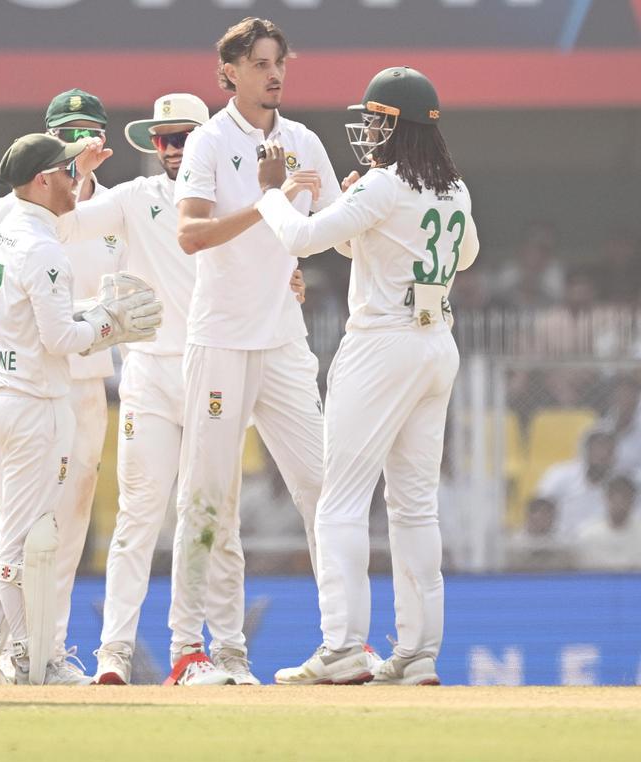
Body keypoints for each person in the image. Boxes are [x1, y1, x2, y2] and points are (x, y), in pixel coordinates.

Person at [54, 92, 307, 685]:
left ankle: (227, 651)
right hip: (148, 373)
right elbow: (66, 224)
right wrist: (77, 173)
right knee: (138, 517)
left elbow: (279, 264)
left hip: (216, 372)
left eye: (183, 138)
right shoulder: (133, 198)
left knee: (216, 517)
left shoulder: (240, 203)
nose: (171, 149)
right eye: (162, 139)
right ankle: (114, 652)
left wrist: (292, 280)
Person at [253, 65, 480, 686]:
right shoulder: (454, 187)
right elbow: (463, 255)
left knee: (341, 501)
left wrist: (270, 191)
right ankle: (418, 654)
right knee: (414, 507)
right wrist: (359, 209)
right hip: (436, 342)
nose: (370, 129)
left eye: (378, 119)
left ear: (399, 125)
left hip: (381, 344)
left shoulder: (384, 183)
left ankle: (343, 647)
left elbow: (301, 237)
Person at [0, 132, 161, 685]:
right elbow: (61, 338)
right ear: (43, 180)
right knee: (26, 542)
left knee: (10, 530)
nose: (76, 183)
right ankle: (32, 656)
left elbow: (34, 309)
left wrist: (93, 311)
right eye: (68, 174)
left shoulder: (10, 227)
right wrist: (109, 325)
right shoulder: (44, 248)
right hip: (31, 406)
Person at [170, 17, 340, 685]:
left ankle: (343, 642)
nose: (274, 74)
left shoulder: (304, 141)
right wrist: (271, 200)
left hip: (284, 340)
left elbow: (336, 228)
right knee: (209, 498)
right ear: (230, 73)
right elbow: (190, 234)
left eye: (280, 63)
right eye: (261, 63)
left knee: (325, 491)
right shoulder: (209, 141)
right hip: (221, 340)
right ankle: (197, 650)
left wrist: (371, 197)